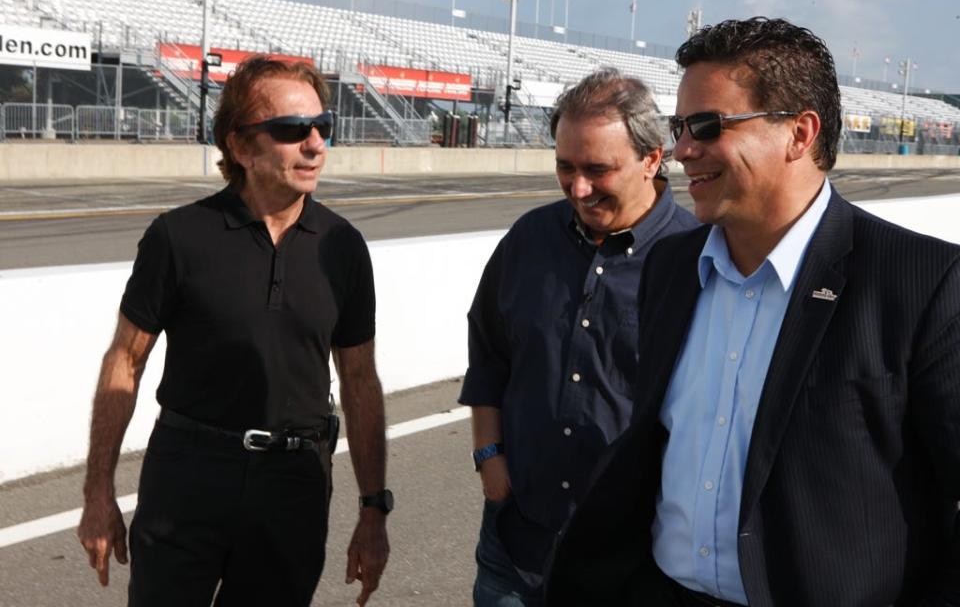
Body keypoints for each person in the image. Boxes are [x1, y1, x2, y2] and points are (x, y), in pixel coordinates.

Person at [546, 17, 960, 607]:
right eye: (681, 126)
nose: (683, 150)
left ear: (799, 133)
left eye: (709, 126)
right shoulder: (671, 268)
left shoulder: (924, 283)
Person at [77, 55, 392, 607]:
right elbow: (124, 361)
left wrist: (373, 509)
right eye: (293, 131)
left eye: (324, 127)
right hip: (188, 476)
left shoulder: (344, 248)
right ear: (242, 147)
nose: (316, 144)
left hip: (294, 482)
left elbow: (360, 380)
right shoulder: (177, 237)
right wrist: (97, 491)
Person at [459, 67, 698, 605]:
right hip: (516, 543)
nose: (579, 188)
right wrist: (488, 456)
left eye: (597, 169)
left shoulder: (696, 260)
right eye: (565, 167)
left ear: (653, 159)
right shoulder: (529, 238)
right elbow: (489, 351)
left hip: (630, 560)